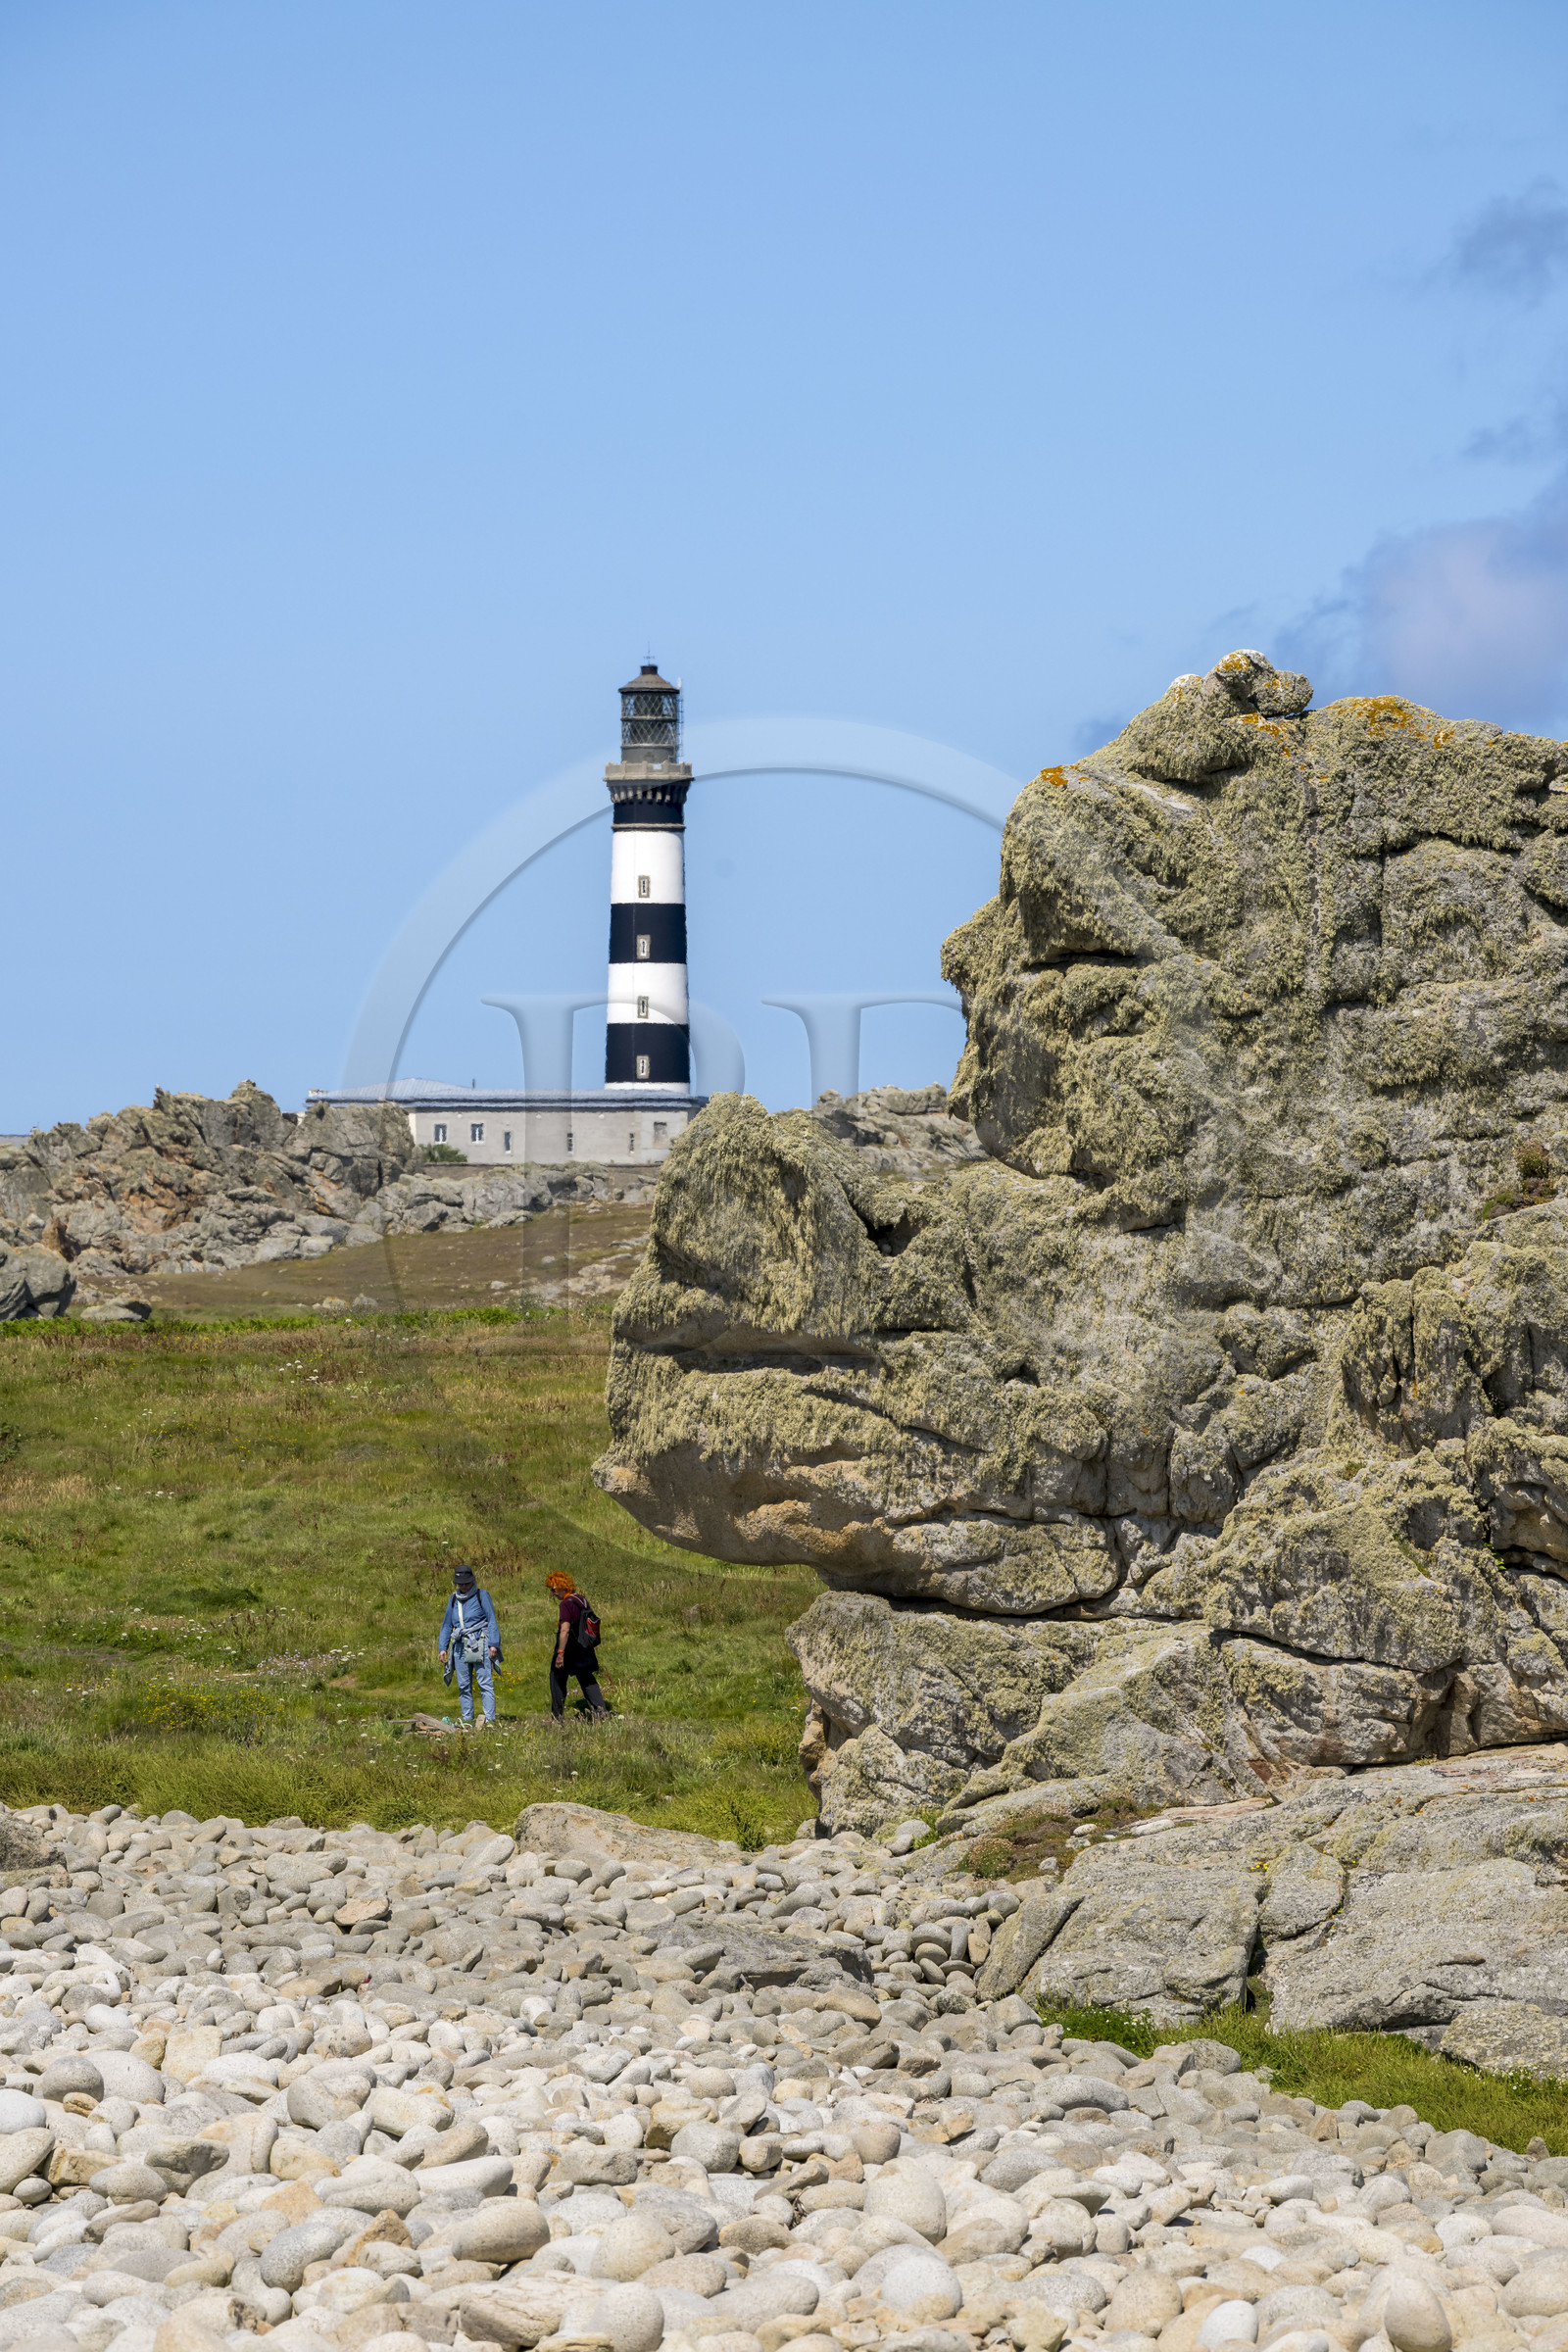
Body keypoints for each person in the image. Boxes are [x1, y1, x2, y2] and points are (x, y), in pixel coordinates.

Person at [437, 1564, 501, 1731]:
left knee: (484, 1682)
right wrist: (442, 1648)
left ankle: (490, 1720)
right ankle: (468, 1719)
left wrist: (493, 1644)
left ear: (472, 1581)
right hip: (459, 1646)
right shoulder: (453, 1599)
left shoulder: (482, 1595)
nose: (463, 1586)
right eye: (460, 1584)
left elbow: (491, 1619)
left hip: (480, 1642)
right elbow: (446, 1625)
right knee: (463, 1685)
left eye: (466, 1583)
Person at [546, 1570, 609, 1720]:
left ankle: (557, 1716)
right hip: (584, 1647)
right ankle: (601, 1712)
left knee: (557, 1678)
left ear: (562, 1586)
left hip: (570, 1649)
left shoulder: (566, 1605)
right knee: (586, 1678)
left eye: (553, 1588)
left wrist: (560, 1653)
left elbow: (565, 1629)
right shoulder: (581, 1599)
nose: (553, 1593)